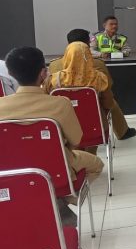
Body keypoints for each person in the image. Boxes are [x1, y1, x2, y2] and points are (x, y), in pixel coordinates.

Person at [0, 47, 104, 226]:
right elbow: (76, 140)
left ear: (10, 72)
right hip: (56, 170)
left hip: (12, 173)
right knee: (96, 164)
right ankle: (61, 202)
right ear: (43, 73)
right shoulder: (59, 104)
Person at [49, 29, 136, 140]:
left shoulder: (54, 65)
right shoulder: (98, 65)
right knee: (109, 100)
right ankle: (122, 132)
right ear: (87, 45)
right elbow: (108, 87)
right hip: (93, 117)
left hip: (63, 119)